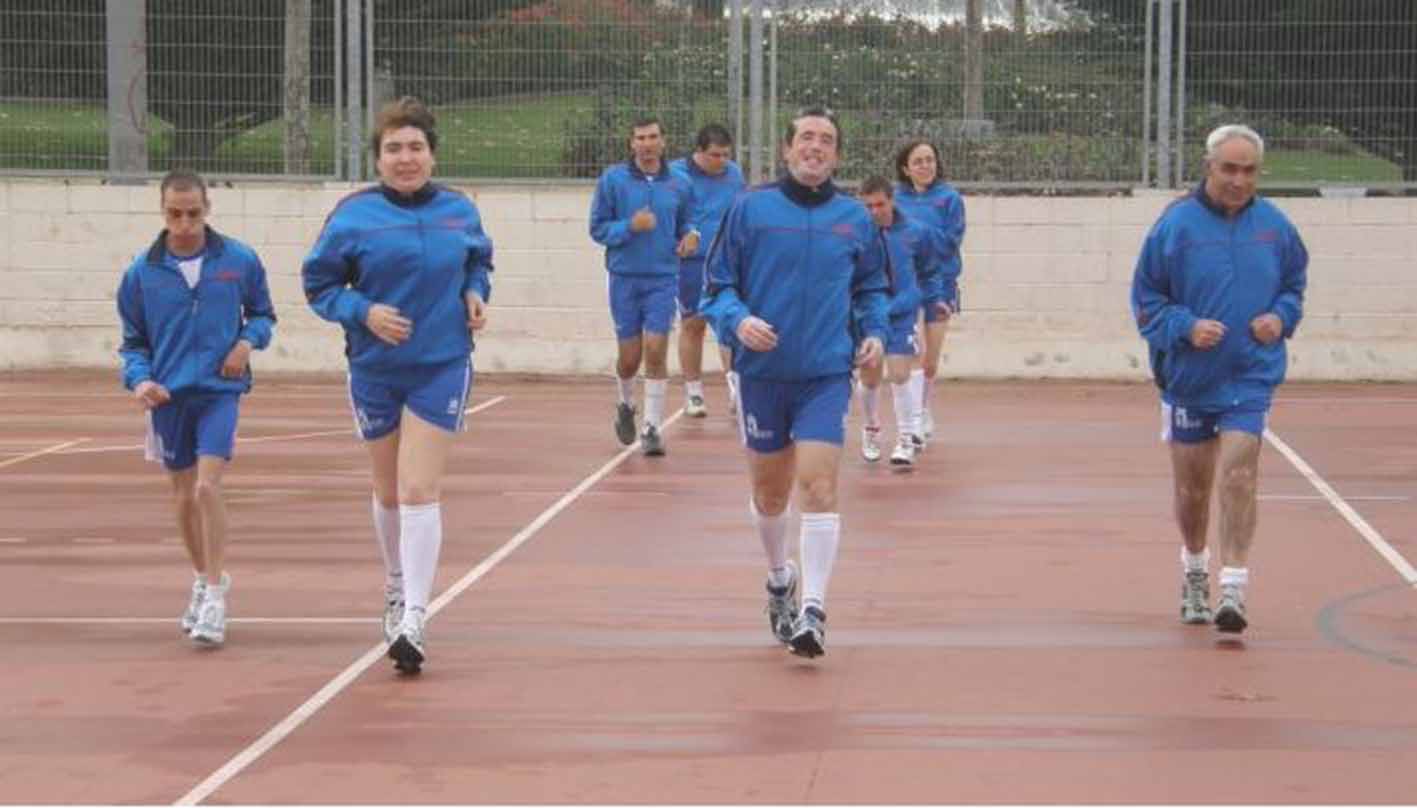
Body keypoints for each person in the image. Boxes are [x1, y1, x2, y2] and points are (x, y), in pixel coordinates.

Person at [302, 96, 493, 674]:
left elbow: (478, 262)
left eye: (415, 147)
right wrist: (364, 312)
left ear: (432, 155)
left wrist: (475, 291)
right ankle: (394, 585)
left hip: (442, 362)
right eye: (393, 149)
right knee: (387, 491)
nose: (405, 158)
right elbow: (319, 286)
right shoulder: (352, 216)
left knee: (418, 490)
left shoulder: (460, 211)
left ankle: (414, 615)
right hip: (375, 369)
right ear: (378, 159)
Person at [702, 106, 889, 659]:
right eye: (806, 137)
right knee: (771, 493)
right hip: (762, 375)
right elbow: (716, 287)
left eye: (827, 140)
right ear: (786, 149)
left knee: (820, 484)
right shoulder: (750, 210)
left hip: (826, 374)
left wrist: (875, 330)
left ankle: (814, 609)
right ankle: (780, 578)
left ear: (837, 154)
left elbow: (873, 288)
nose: (815, 147)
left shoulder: (855, 219)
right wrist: (738, 321)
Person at [1131, 124, 1307, 635]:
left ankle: (1233, 585)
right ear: (1208, 166)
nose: (1238, 179)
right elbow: (1146, 301)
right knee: (1193, 491)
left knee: (1239, 472)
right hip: (1189, 379)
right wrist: (1185, 327)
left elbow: (1294, 286)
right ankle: (1193, 571)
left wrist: (1281, 317)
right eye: (1229, 168)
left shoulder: (1276, 226)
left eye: (1249, 170)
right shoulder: (1175, 227)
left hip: (1250, 375)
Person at [117, 169, 276, 647]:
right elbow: (133, 343)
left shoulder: (239, 261)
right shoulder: (141, 273)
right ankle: (202, 576)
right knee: (183, 495)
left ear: (207, 209)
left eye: (193, 213)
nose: (184, 223)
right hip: (169, 397)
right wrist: (140, 379)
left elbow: (264, 315)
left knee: (208, 486)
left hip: (219, 391)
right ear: (162, 212)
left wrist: (246, 344)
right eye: (174, 214)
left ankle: (214, 592)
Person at [589, 116, 697, 455]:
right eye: (640, 138)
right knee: (629, 359)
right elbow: (598, 229)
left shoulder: (680, 183)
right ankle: (625, 403)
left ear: (663, 142)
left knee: (656, 349)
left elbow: (689, 222)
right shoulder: (613, 181)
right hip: (624, 278)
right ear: (632, 143)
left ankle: (651, 427)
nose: (647, 144)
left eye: (652, 137)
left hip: (663, 278)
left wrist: (692, 236)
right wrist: (629, 226)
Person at [855, 176, 948, 467]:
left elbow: (929, 271)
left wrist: (935, 298)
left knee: (899, 373)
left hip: (902, 313)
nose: (874, 211)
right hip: (869, 317)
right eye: (867, 206)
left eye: (880, 204)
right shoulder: (855, 234)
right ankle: (871, 428)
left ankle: (906, 438)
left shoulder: (916, 232)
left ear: (892, 200)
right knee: (870, 377)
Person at [669, 123, 746, 417]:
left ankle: (736, 390)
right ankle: (694, 394)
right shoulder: (676, 174)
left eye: (726, 155)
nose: (721, 161)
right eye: (715, 155)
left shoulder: (734, 174)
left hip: (726, 261)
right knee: (693, 324)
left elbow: (740, 212)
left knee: (730, 325)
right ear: (698, 152)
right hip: (690, 264)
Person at [891, 141, 964, 448]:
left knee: (930, 359)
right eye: (918, 161)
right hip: (907, 285)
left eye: (930, 160)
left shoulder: (950, 199)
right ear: (906, 168)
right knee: (914, 353)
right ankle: (914, 419)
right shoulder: (895, 198)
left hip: (940, 283)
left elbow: (950, 241)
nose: (925, 166)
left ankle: (924, 404)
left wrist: (917, 231)